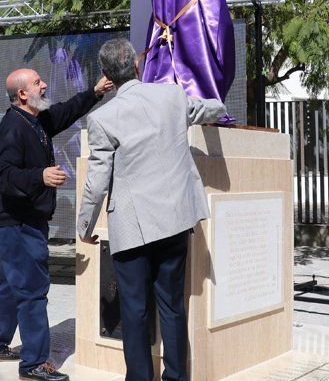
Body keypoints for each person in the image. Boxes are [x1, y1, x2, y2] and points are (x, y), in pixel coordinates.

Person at [77, 39, 227, 381]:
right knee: (172, 306)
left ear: (107, 77)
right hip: (174, 221)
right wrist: (217, 104)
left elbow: (97, 181)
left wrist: (85, 226)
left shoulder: (102, 118)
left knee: (134, 311)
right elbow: (211, 108)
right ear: (135, 67)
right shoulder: (172, 97)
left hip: (132, 228)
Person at [0, 67, 113, 381]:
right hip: (18, 222)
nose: (45, 84)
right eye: (38, 82)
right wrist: (39, 176)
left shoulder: (36, 120)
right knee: (33, 290)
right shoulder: (11, 128)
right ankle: (34, 364)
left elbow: (64, 113)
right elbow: (3, 176)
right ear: (23, 94)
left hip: (25, 220)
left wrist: (94, 92)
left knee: (13, 284)